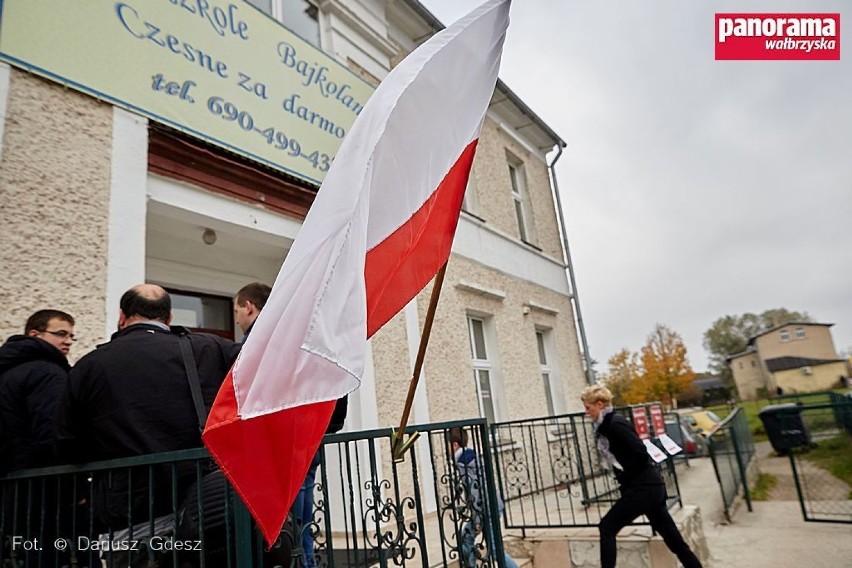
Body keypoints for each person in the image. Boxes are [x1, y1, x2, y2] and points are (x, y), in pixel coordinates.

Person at [54, 284, 239, 529]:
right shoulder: (208, 348)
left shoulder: (89, 366)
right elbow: (265, 367)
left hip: (128, 513)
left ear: (121, 316)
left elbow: (66, 439)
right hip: (203, 506)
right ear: (169, 317)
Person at [581, 385, 703, 568]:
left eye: (588, 408)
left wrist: (627, 473)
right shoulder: (607, 425)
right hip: (650, 487)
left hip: (643, 488)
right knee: (675, 542)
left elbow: (639, 452)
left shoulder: (615, 424)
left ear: (599, 404)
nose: (586, 412)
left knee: (607, 527)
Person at [0, 309, 75, 472]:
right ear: (34, 335)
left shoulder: (7, 369)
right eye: (61, 334)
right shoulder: (48, 373)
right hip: (34, 477)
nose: (68, 341)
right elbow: (51, 430)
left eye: (71, 336)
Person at [447, 427, 518, 568]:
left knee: (495, 551)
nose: (446, 450)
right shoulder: (471, 455)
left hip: (487, 508)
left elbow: (475, 491)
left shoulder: (464, 462)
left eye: (447, 446)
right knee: (467, 537)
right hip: (492, 505)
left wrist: (477, 518)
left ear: (455, 445)